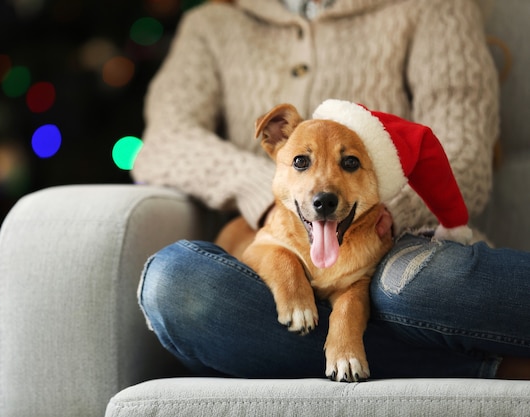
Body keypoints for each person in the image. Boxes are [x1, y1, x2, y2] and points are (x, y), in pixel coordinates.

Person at [131, 0, 530, 380]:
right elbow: (164, 140)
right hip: (271, 256)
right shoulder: (213, 24)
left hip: (405, 240)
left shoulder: (433, 7)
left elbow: (463, 154)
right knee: (174, 284)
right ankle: (484, 368)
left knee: (407, 287)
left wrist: (379, 213)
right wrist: (271, 195)